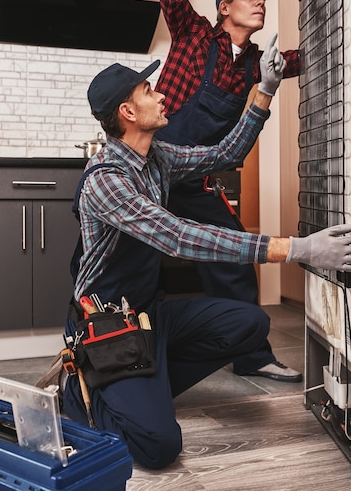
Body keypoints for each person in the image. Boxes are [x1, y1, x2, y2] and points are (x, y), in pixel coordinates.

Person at [62, 58, 351, 470]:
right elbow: (180, 237)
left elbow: (224, 153)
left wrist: (265, 90)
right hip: (106, 325)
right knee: (158, 447)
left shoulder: (157, 156)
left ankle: (146, 381)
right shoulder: (106, 180)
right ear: (127, 113)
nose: (160, 95)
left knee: (250, 324)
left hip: (149, 315)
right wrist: (298, 249)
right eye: (148, 91)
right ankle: (83, 389)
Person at [154, 0, 302, 382]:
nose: (260, 4)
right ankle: (121, 350)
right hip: (151, 173)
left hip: (193, 180)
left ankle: (251, 355)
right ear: (224, 8)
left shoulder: (259, 62)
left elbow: (309, 59)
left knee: (235, 257)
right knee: (133, 265)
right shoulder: (194, 35)